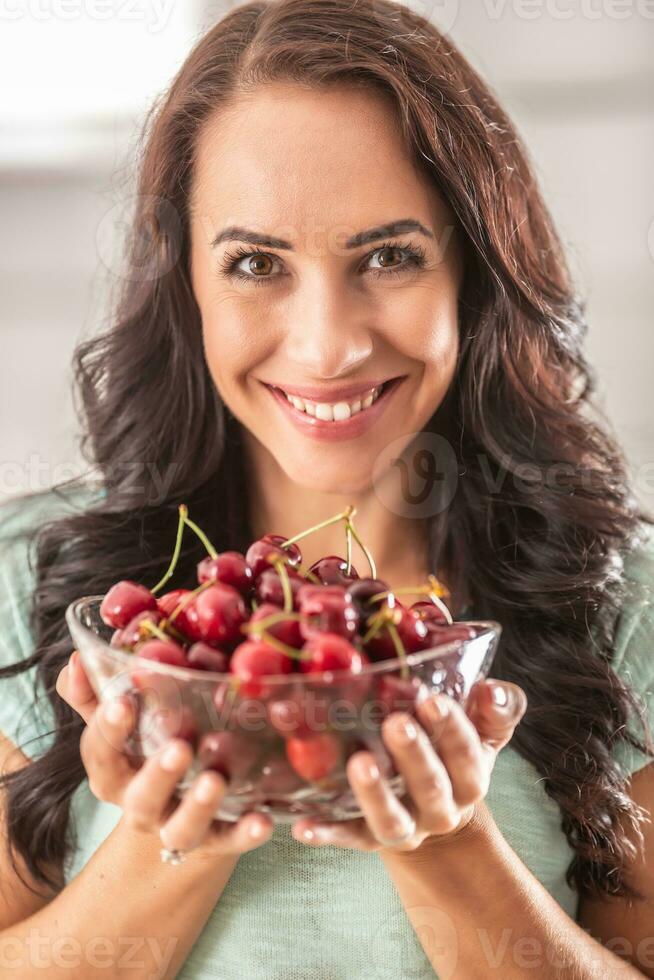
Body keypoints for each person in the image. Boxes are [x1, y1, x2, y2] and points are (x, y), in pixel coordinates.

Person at [1, 0, 653, 976]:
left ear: (474, 275)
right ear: (186, 284)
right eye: (256, 263)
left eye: (390, 256)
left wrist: (443, 838)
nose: (329, 346)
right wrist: (173, 826)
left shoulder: (621, 611)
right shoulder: (33, 588)